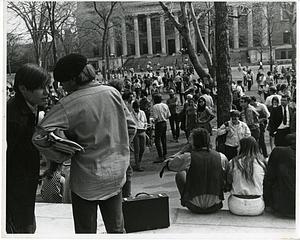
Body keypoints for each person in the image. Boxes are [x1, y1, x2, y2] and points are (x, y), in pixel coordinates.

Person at [33, 54, 137, 233]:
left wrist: (61, 153)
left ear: (73, 79)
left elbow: (39, 136)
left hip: (86, 179)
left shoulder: (68, 103)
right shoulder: (112, 93)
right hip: (115, 174)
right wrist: (117, 147)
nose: (62, 88)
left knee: (85, 231)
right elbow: (132, 127)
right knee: (117, 228)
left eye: (62, 82)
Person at [6, 64, 51, 233]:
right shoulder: (13, 119)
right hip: (14, 190)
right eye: (41, 88)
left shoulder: (33, 107)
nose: (48, 92)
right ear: (23, 88)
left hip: (26, 183)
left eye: (48, 86)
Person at [175, 128, 228, 213]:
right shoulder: (221, 157)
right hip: (216, 205)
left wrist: (181, 152)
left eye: (190, 139)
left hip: (194, 206)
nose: (189, 142)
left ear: (196, 141)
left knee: (180, 174)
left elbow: (167, 164)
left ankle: (186, 200)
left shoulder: (188, 157)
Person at [226, 137, 266, 216]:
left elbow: (228, 182)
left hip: (236, 206)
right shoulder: (262, 163)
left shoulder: (233, 162)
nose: (237, 148)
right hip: (257, 207)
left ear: (243, 148)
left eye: (239, 146)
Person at [263, 133, 296, 218]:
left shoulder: (279, 152)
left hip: (282, 206)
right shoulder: (280, 152)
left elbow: (269, 178)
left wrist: (267, 203)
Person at [152, 93, 171, 163]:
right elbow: (168, 115)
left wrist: (153, 122)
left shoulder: (155, 107)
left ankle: (160, 156)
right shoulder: (165, 105)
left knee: (157, 140)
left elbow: (156, 118)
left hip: (159, 124)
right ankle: (165, 154)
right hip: (164, 123)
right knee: (163, 139)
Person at [131, 100, 148, 172]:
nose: (137, 109)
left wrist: (145, 127)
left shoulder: (142, 113)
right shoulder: (131, 114)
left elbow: (145, 121)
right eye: (135, 108)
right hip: (136, 132)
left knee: (143, 148)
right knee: (137, 149)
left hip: (142, 131)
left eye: (138, 108)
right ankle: (138, 165)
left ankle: (139, 162)